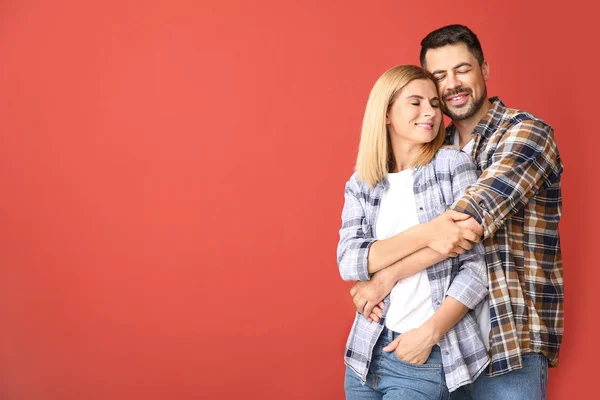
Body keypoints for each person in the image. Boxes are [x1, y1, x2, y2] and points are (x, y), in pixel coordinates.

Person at [351, 25, 563, 400]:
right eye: (439, 76)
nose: (452, 84)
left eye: (462, 69)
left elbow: (461, 226)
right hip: (450, 346)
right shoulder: (431, 146)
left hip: (507, 339)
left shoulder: (525, 134)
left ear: (485, 70)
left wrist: (384, 277)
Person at [338, 64, 490, 399]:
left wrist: (429, 333)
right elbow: (349, 261)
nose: (430, 113)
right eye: (415, 102)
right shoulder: (363, 183)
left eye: (435, 104)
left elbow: (477, 267)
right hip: (366, 352)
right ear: (387, 113)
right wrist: (427, 233)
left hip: (425, 355)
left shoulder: (452, 166)